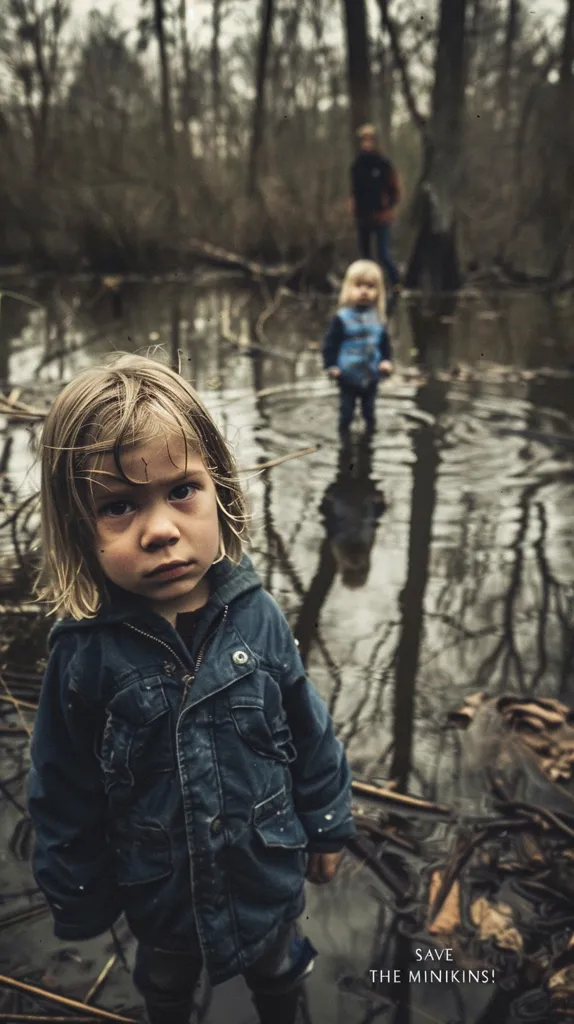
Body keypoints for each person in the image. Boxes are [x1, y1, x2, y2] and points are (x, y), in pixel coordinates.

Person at [27, 354, 357, 1024]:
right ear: (80, 528)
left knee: (279, 969)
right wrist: (80, 892)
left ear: (221, 490)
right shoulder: (85, 655)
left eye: (182, 490)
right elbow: (62, 784)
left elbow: (309, 730)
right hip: (160, 889)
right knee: (166, 980)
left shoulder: (257, 616)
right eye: (119, 507)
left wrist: (327, 825)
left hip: (264, 868)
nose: (159, 530)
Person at [323, 259, 392, 435]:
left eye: (370, 286)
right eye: (359, 285)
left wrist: (386, 361)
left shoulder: (379, 318)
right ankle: (344, 439)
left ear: (378, 291)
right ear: (348, 288)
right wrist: (331, 365)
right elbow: (330, 344)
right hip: (347, 375)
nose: (364, 291)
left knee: (369, 412)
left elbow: (384, 344)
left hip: (371, 374)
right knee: (346, 412)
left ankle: (369, 439)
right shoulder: (342, 318)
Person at [320, 435, 386, 590]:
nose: (355, 565)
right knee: (365, 457)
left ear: (342, 566)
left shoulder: (335, 541)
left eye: (350, 570)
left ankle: (347, 437)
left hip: (343, 491)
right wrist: (380, 501)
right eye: (361, 569)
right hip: (365, 491)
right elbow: (376, 518)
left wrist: (328, 498)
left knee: (346, 458)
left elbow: (325, 515)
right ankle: (366, 436)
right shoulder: (368, 542)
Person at [349, 123, 401, 297]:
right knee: (365, 257)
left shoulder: (383, 164)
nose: (366, 144)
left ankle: (396, 282)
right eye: (364, 141)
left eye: (370, 140)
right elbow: (354, 190)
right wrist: (354, 206)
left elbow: (395, 190)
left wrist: (388, 207)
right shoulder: (357, 165)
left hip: (381, 215)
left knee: (383, 254)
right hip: (363, 216)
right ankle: (370, 287)